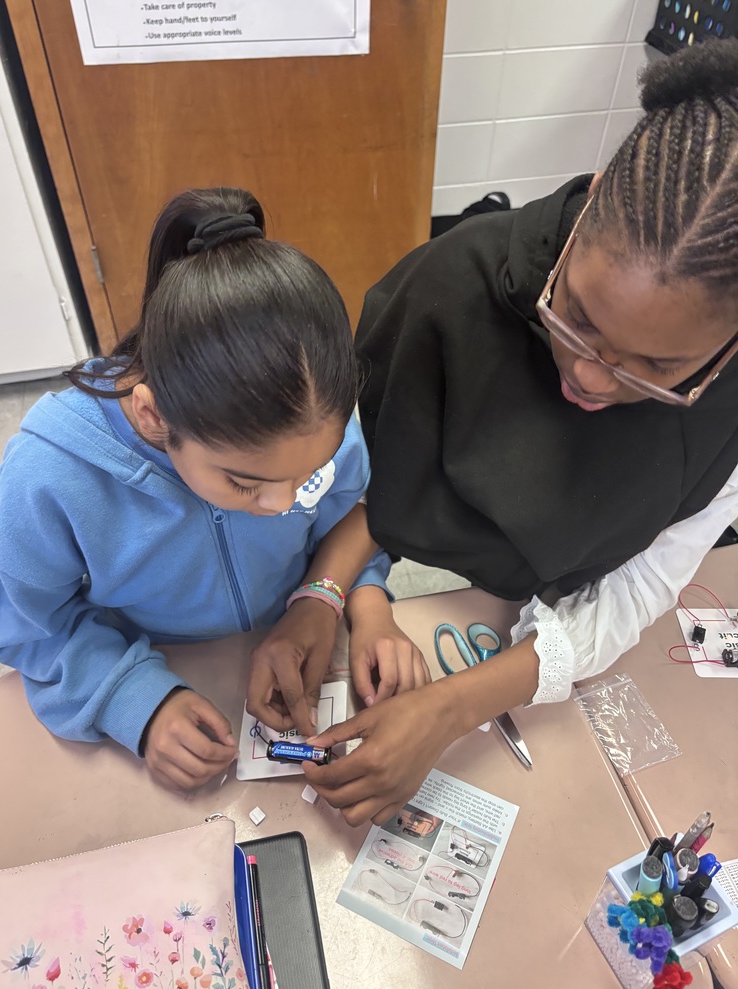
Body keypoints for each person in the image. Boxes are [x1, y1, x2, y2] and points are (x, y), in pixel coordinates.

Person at [303, 40, 738, 825]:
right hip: (415, 602)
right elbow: (339, 490)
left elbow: (641, 585)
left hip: (509, 623)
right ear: (593, 206)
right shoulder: (442, 292)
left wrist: (450, 709)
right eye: (576, 317)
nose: (592, 378)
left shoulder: (725, 418)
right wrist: (329, 593)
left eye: (656, 367)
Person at [0, 187, 429, 792]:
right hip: (158, 668)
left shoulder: (316, 422)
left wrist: (343, 599)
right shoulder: (48, 478)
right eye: (245, 483)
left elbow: (352, 513)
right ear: (153, 417)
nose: (286, 504)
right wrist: (135, 701)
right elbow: (34, 628)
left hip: (290, 642)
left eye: (308, 475)